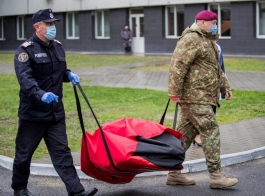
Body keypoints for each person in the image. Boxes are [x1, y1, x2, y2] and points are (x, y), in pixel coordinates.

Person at [12, 8, 98, 196]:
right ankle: (19, 189)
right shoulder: (25, 50)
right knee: (23, 155)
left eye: (53, 24)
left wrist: (69, 75)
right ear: (37, 27)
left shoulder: (57, 46)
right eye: (48, 24)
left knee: (62, 153)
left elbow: (61, 71)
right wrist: (40, 94)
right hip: (33, 114)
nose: (52, 27)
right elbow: (25, 79)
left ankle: (76, 191)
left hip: (54, 113)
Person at [167, 10, 238, 189]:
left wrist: (225, 87)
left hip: (204, 96)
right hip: (194, 96)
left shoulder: (209, 41)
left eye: (216, 22)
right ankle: (216, 176)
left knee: (184, 136)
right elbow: (178, 65)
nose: (216, 26)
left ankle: (174, 173)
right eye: (213, 22)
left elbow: (216, 68)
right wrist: (174, 91)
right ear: (202, 22)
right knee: (210, 129)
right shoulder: (191, 38)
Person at [193, 41, 226, 146]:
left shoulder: (217, 46)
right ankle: (197, 136)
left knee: (211, 111)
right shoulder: (195, 44)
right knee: (199, 111)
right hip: (198, 87)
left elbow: (220, 68)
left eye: (215, 24)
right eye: (213, 23)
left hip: (213, 86)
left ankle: (207, 136)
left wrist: (224, 88)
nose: (214, 27)